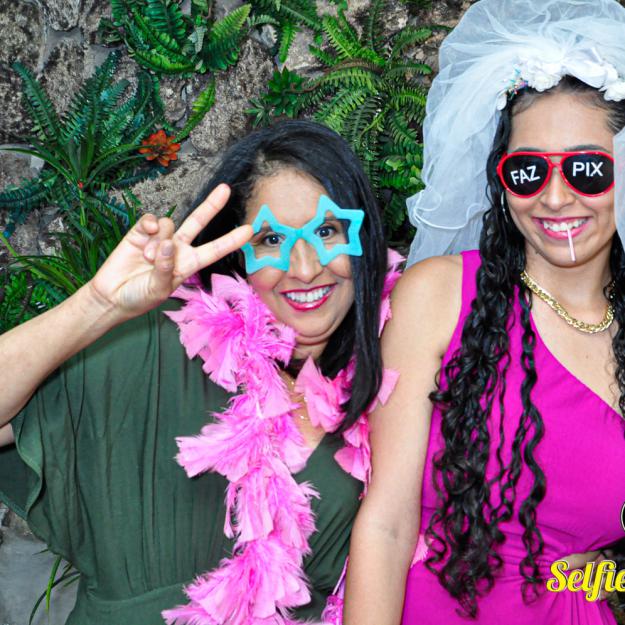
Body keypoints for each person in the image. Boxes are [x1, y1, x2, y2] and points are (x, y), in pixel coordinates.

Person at [0, 119, 398, 625]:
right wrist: (97, 306)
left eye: (326, 231)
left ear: (362, 238)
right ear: (238, 255)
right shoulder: (157, 348)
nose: (304, 267)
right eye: (272, 238)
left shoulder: (391, 386)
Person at [343, 1, 625, 624]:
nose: (555, 197)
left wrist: (599, 576)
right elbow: (387, 525)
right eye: (527, 171)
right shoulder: (440, 296)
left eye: (587, 169)